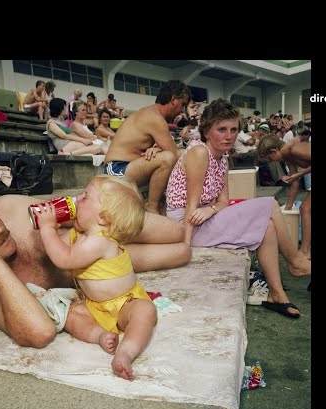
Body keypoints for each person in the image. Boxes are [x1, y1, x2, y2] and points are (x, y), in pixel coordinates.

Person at [0, 191, 192, 348]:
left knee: (177, 232)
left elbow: (73, 209)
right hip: (103, 277)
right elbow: (39, 332)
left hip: (101, 241)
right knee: (182, 252)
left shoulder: (10, 207)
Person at [164, 98, 310, 319]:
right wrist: (185, 248)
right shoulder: (200, 152)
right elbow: (191, 207)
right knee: (269, 204)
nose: (229, 135)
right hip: (186, 222)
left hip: (206, 216)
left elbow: (223, 201)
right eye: (221, 129)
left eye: (233, 129)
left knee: (268, 226)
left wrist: (211, 209)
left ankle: (276, 294)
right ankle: (295, 262)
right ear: (207, 131)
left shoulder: (222, 158)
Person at [34, 175, 156, 381]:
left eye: (85, 196)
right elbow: (59, 248)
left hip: (124, 303)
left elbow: (64, 259)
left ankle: (126, 352)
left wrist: (47, 229)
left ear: (103, 219)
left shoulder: (100, 241)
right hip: (93, 304)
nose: (78, 198)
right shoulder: (80, 233)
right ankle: (99, 335)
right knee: (70, 315)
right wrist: (54, 228)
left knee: (145, 310)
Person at [103, 79, 191, 214]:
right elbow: (173, 154)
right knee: (168, 157)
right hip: (116, 170)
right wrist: (160, 149)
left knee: (174, 155)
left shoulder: (151, 113)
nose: (182, 111)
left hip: (127, 167)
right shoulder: (155, 118)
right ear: (173, 99)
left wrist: (156, 147)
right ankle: (152, 207)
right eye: (182, 104)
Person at [257, 134, 311, 260]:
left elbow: (296, 176)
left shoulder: (294, 149)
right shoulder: (287, 156)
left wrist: (300, 173)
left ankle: (304, 251)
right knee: (305, 209)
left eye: (270, 157)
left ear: (274, 151)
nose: (272, 161)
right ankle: (305, 250)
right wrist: (288, 206)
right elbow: (295, 182)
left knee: (306, 209)